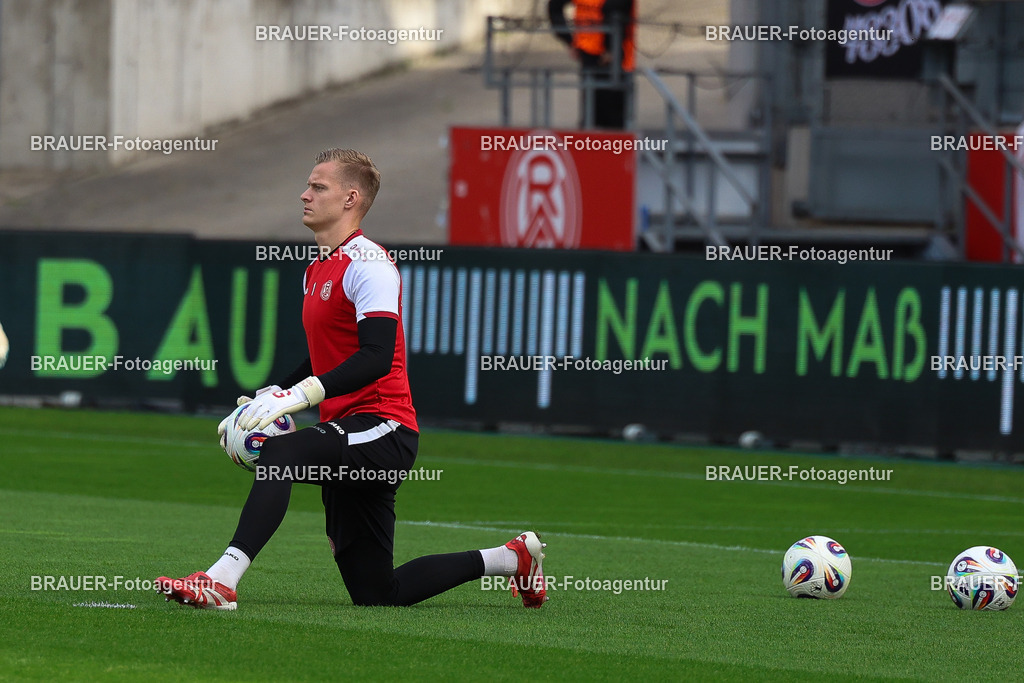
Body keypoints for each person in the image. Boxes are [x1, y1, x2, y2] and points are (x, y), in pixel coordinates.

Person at [156, 148, 548, 610]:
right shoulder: (318, 266)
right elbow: (325, 355)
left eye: (318, 186)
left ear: (350, 198)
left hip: (385, 428)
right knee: (378, 593)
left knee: (279, 453)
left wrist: (300, 397)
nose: (305, 194)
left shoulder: (369, 263)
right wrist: (270, 396)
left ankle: (221, 580)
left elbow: (377, 356)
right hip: (348, 432)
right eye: (308, 185)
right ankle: (510, 558)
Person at [548, 0, 636, 129]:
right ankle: (599, 141)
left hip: (606, 52)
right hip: (602, 52)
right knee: (606, 111)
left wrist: (569, 39)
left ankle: (598, 138)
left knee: (600, 108)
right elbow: (554, 7)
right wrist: (568, 39)